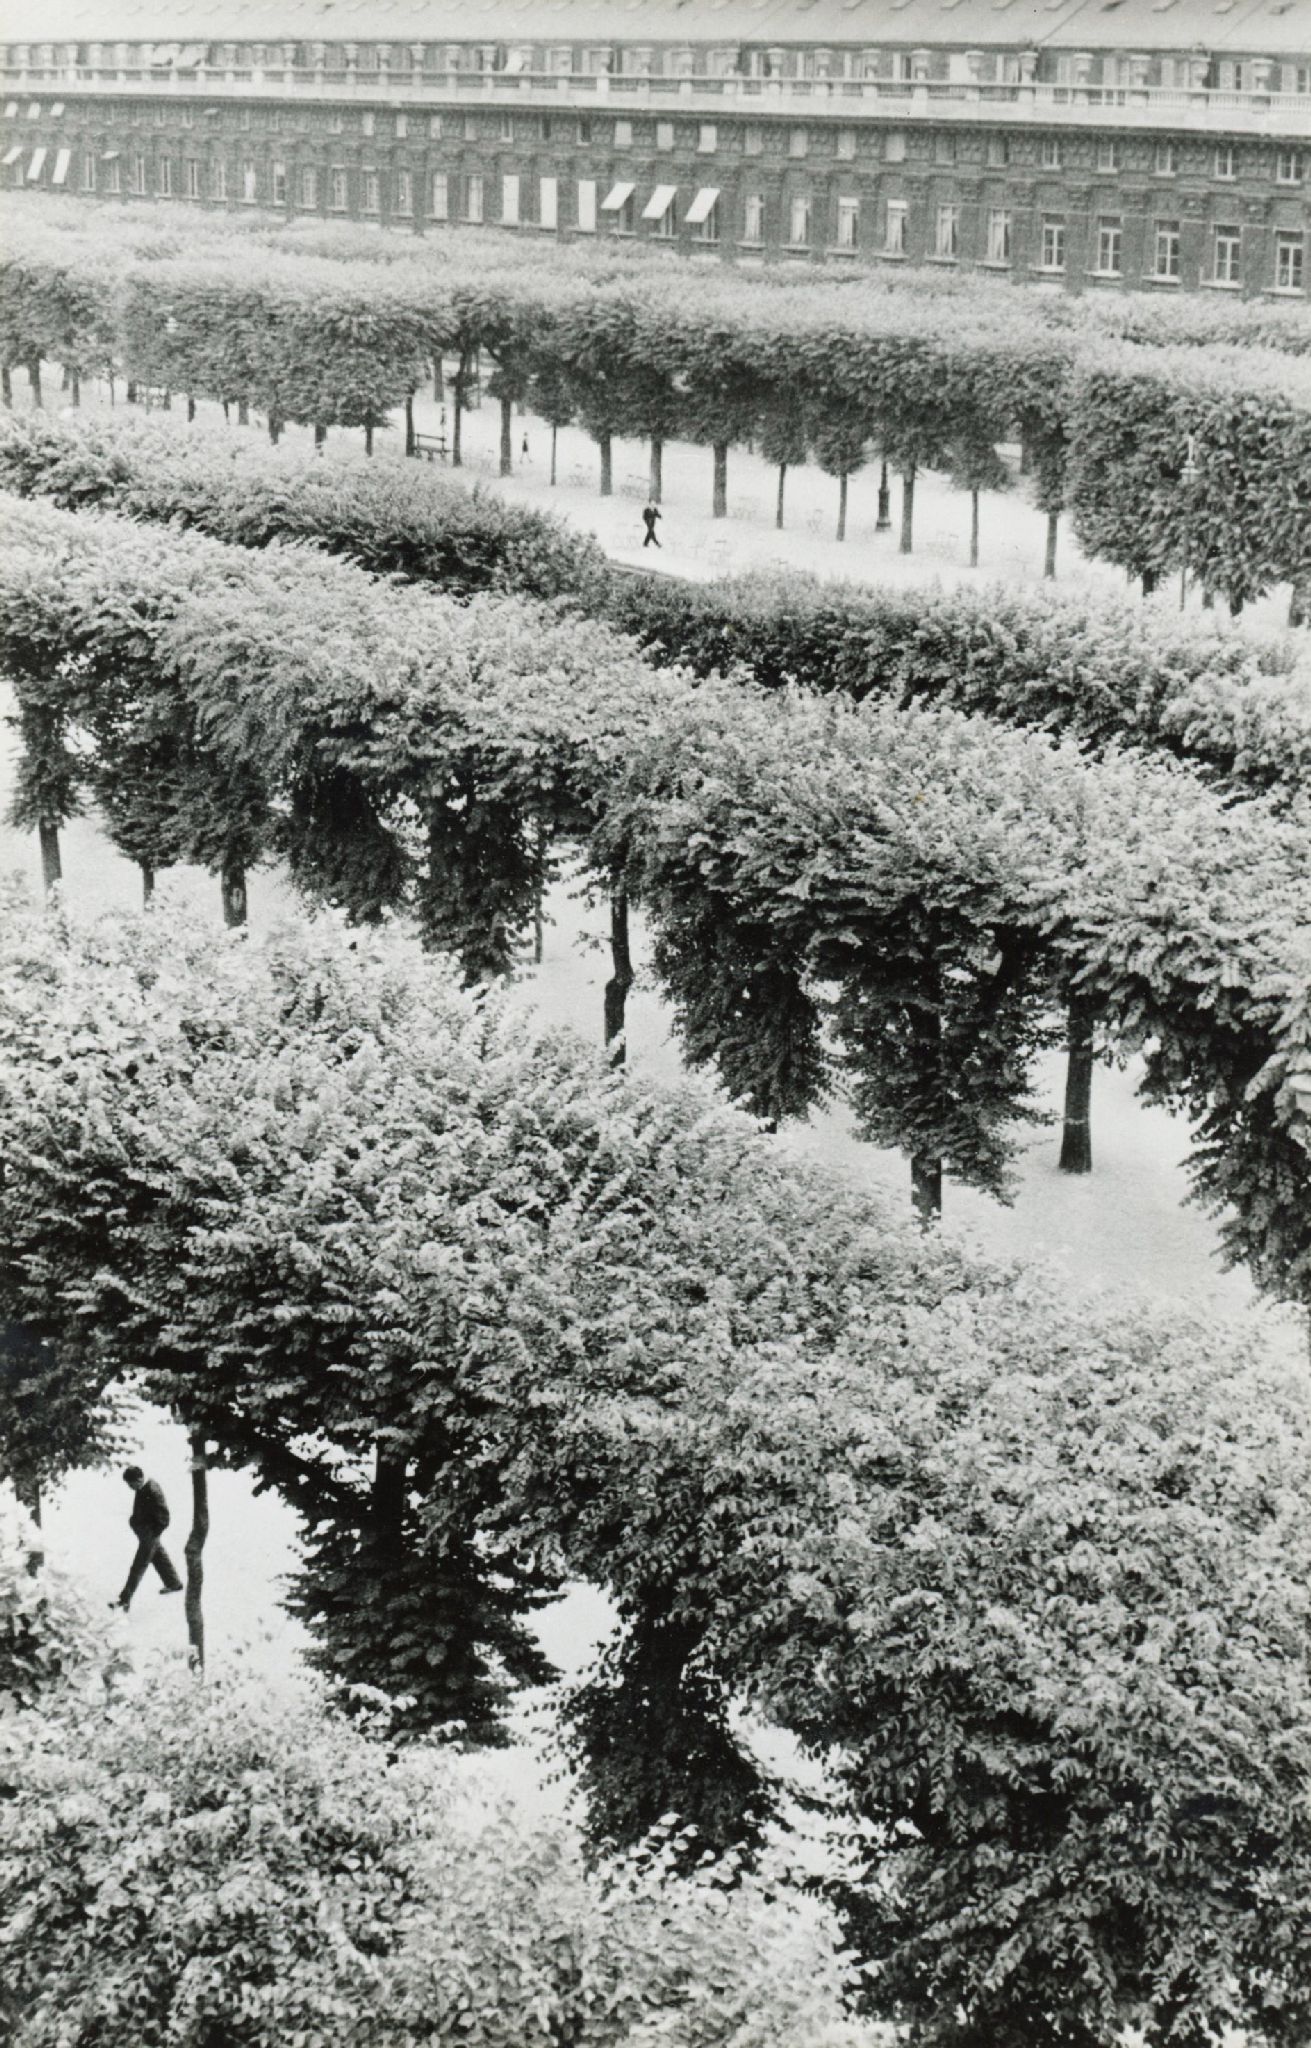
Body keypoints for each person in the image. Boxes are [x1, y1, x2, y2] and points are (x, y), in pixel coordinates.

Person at [111, 1464, 183, 1609]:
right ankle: (174, 1583)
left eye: (131, 1484)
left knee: (138, 1567)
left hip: (149, 1535)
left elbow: (164, 1518)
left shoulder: (152, 1490)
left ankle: (124, 1600)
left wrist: (152, 1534)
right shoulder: (143, 1488)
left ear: (139, 1480)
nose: (130, 1487)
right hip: (147, 1533)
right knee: (159, 1557)